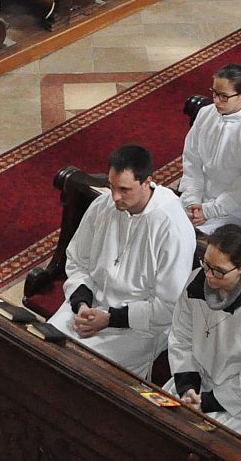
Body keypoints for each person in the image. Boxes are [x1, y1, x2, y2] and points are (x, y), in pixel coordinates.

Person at [49, 144, 197, 378]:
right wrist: (81, 304)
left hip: (137, 328)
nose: (115, 197)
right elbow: (77, 260)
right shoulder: (103, 206)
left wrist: (109, 319)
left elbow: (169, 306)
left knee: (81, 369)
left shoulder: (172, 228)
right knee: (46, 346)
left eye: (124, 190)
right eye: (111, 187)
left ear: (147, 181)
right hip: (88, 307)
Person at [165, 222, 241, 440]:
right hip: (194, 379)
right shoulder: (197, 280)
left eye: (219, 271)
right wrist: (188, 387)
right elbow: (180, 335)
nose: (209, 276)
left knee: (201, 443)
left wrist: (208, 401)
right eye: (207, 264)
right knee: (159, 428)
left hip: (238, 398)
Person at [181, 64, 241, 231]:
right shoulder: (205, 114)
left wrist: (209, 211)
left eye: (223, 96)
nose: (216, 100)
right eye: (214, 93)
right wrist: (193, 200)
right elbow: (192, 159)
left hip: (232, 210)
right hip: (198, 199)